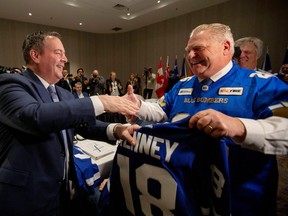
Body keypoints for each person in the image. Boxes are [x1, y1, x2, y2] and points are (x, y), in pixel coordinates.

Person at [125, 23, 288, 215]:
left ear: (226, 47)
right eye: (188, 51)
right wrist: (138, 106)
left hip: (241, 201)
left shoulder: (261, 83)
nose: (191, 56)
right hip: (186, 194)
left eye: (198, 49)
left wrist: (238, 126)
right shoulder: (182, 85)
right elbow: (162, 111)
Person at [0, 31, 140, 216]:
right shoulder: (11, 84)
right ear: (35, 55)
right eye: (59, 52)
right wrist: (100, 102)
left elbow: (84, 125)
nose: (65, 59)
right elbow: (36, 117)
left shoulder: (64, 93)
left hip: (63, 192)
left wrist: (117, 129)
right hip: (27, 197)